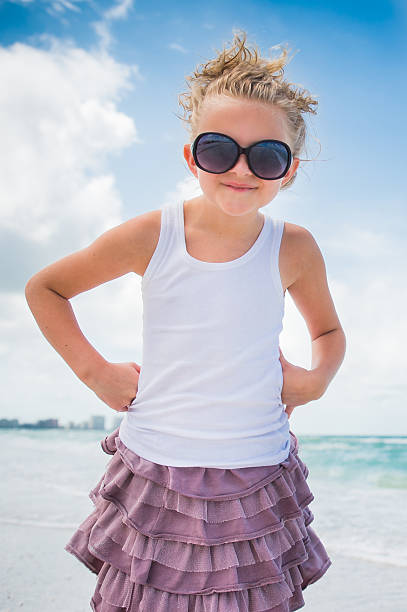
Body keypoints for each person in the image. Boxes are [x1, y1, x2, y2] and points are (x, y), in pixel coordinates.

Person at [25, 30, 346, 612]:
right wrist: (95, 372)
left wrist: (316, 378)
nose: (241, 169)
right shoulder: (153, 234)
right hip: (158, 469)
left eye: (267, 156)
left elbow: (328, 332)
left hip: (258, 472)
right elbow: (45, 287)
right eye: (219, 149)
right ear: (190, 155)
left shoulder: (294, 247)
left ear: (289, 170)